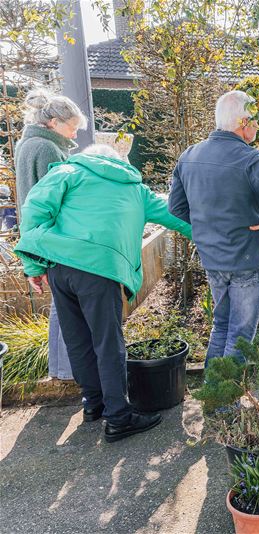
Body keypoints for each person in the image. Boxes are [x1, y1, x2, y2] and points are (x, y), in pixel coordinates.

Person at [14, 144, 192, 442]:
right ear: (119, 162)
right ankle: (118, 417)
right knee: (108, 341)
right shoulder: (136, 189)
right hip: (100, 270)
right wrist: (225, 238)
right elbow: (177, 218)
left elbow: (34, 208)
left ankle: (93, 404)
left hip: (60, 266)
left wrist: (33, 265)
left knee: (77, 338)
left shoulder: (68, 173)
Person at [169, 90, 259, 365]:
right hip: (247, 258)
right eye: (255, 120)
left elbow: (176, 208)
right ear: (242, 122)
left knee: (222, 325)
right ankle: (225, 405)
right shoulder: (251, 159)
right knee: (239, 334)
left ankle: (213, 396)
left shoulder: (188, 156)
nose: (257, 126)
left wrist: (207, 226)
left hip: (212, 257)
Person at [15, 89, 88, 382]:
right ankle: (68, 373)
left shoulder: (27, 144)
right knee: (66, 309)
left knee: (62, 306)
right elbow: (55, 201)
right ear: (54, 123)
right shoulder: (46, 149)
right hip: (55, 240)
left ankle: (63, 370)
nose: (74, 134)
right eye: (72, 127)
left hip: (40, 238)